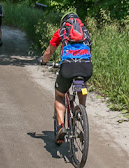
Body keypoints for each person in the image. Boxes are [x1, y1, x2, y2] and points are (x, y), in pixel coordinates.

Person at [39, 12, 93, 144]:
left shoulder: (61, 32)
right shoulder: (85, 32)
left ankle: (61, 127)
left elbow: (49, 51)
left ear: (64, 22)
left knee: (60, 95)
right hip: (85, 68)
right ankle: (81, 110)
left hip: (68, 68)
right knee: (81, 85)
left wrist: (43, 61)